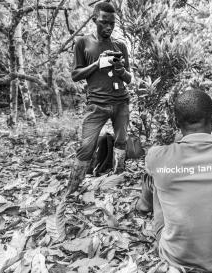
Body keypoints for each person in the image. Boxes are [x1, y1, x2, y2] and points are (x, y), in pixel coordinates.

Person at [136, 89, 212, 272]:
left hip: (176, 257)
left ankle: (143, 205)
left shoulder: (157, 156)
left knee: (157, 179)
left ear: (176, 122)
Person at [67, 2, 132, 194]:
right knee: (86, 147)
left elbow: (129, 78)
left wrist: (121, 71)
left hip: (121, 102)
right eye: (104, 22)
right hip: (96, 104)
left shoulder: (120, 45)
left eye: (112, 23)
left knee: (121, 141)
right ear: (94, 20)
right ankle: (73, 188)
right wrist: (98, 63)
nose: (109, 27)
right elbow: (75, 75)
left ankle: (117, 179)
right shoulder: (83, 43)